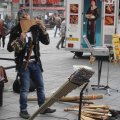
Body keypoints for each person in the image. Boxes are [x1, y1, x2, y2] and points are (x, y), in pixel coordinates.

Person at [7, 9, 56, 119]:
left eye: (27, 17)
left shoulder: (35, 28)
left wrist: (42, 27)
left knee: (40, 86)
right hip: (24, 63)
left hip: (35, 62)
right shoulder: (16, 30)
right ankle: (23, 110)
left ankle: (42, 107)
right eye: (24, 18)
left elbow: (47, 41)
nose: (26, 19)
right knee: (24, 89)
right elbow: (10, 48)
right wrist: (20, 39)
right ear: (20, 19)